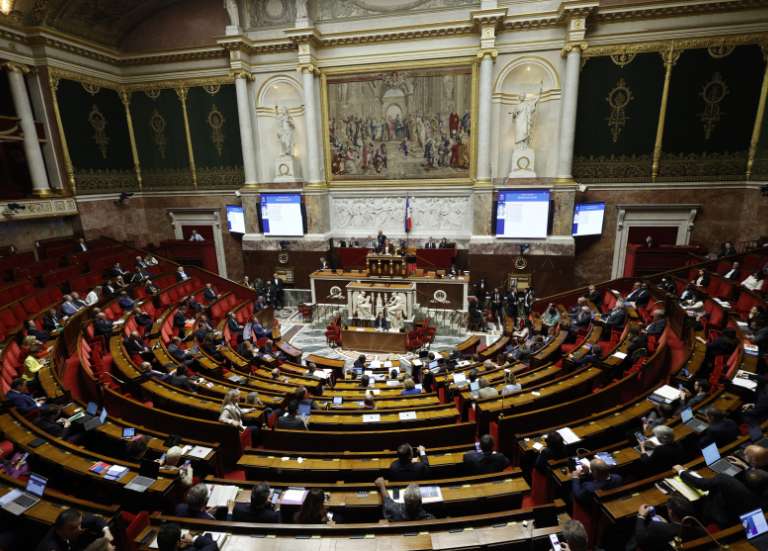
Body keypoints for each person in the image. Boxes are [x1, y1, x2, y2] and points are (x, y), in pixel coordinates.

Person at [675, 463, 761, 526]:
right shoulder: (756, 485)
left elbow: (699, 483)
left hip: (726, 519)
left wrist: (681, 471)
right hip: (743, 514)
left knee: (697, 503)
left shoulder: (723, 479)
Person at [631, 497, 705, 550]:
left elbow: (640, 538)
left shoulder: (656, 527)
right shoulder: (701, 531)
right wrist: (666, 524)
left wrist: (641, 516)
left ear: (670, 512)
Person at [35, 508, 109, 551]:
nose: (79, 529)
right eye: (73, 528)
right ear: (59, 531)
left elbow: (96, 519)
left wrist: (107, 531)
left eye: (80, 524)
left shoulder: (74, 523)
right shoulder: (51, 547)